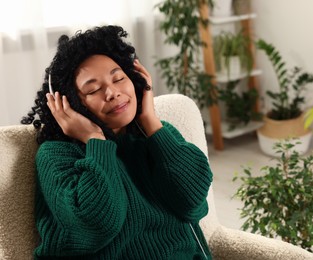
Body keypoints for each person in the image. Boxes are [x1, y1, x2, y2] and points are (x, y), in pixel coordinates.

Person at [21, 25, 213, 259]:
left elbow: (192, 201)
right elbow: (96, 225)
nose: (112, 92)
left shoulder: (157, 136)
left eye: (119, 78)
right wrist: (95, 141)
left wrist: (150, 120)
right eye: (93, 90)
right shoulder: (57, 155)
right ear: (68, 104)